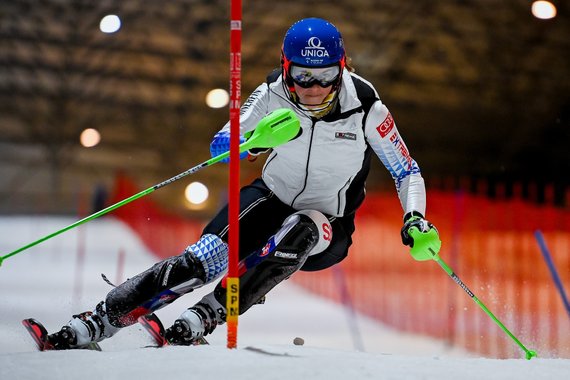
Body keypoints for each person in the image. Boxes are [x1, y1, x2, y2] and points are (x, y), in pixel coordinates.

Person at [44, 17, 438, 349]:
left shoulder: (367, 106)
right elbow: (222, 145)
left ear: (342, 67)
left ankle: (209, 313)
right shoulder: (271, 94)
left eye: (325, 76)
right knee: (201, 260)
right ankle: (98, 321)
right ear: (286, 68)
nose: (314, 88)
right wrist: (251, 143)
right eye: (302, 76)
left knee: (300, 229)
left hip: (328, 223)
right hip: (270, 198)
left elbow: (407, 171)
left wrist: (415, 218)